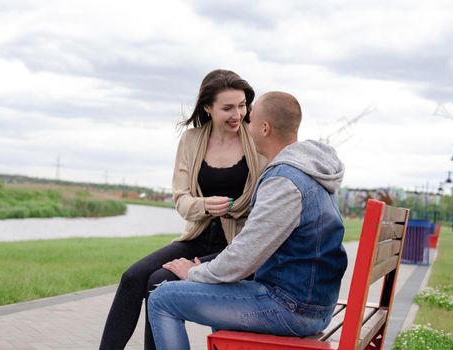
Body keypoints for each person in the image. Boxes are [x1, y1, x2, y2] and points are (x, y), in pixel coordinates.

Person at [148, 91, 348, 350]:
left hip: (292, 308)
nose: (245, 124)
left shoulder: (284, 181)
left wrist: (194, 272)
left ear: (265, 128)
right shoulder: (310, 171)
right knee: (221, 293)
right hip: (311, 302)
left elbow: (244, 257)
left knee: (162, 298)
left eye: (250, 120)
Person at [98, 69, 266, 350]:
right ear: (208, 108)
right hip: (197, 237)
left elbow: (266, 201)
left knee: (158, 282)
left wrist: (233, 206)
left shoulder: (254, 139)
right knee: (132, 278)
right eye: (227, 108)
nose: (237, 114)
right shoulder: (191, 140)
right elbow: (182, 200)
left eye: (241, 105)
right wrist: (203, 204)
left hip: (236, 244)